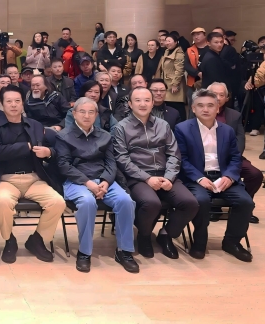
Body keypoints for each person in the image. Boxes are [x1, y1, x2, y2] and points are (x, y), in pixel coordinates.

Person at [112, 88, 199, 259]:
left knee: (190, 203)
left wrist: (169, 177)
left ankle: (166, 234)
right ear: (130, 104)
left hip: (165, 174)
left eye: (147, 100)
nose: (142, 104)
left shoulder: (163, 125)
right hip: (137, 177)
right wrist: (147, 178)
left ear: (153, 103)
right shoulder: (121, 127)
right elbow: (122, 159)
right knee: (152, 203)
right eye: (137, 100)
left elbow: (174, 154)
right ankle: (144, 236)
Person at [56, 97, 138, 273]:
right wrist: (88, 183)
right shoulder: (63, 136)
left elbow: (111, 163)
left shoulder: (105, 136)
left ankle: (124, 251)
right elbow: (64, 166)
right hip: (77, 181)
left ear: (96, 115)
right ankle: (84, 252)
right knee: (87, 202)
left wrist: (105, 182)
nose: (86, 116)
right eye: (82, 112)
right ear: (74, 113)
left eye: (91, 112)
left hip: (103, 180)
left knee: (125, 201)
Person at [0, 85, 65, 264]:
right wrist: (27, 146)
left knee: (57, 202)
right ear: (1, 104)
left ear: (23, 103)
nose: (13, 105)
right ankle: (9, 240)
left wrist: (48, 152)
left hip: (34, 178)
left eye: (17, 101)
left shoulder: (35, 125)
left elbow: (53, 149)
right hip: (6, 179)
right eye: (9, 101)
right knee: (2, 202)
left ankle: (37, 240)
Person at [175, 89, 254, 262]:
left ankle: (232, 242)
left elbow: (235, 158)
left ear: (218, 108)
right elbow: (182, 159)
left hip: (223, 176)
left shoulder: (227, 130)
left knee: (246, 202)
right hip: (196, 178)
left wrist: (229, 176)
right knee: (201, 200)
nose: (205, 109)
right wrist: (199, 178)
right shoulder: (182, 129)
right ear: (193, 108)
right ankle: (199, 241)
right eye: (200, 105)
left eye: (210, 105)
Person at [208, 82, 262, 223]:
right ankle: (215, 207)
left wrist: (232, 158)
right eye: (214, 94)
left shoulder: (235, 115)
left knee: (255, 174)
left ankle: (243, 207)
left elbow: (240, 140)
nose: (218, 98)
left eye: (222, 95)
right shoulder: (200, 112)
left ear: (227, 98)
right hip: (208, 158)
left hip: (232, 158)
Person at [157, 34, 186, 122]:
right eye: (166, 41)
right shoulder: (167, 51)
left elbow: (179, 70)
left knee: (177, 106)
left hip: (174, 84)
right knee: (169, 106)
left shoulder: (179, 53)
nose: (167, 43)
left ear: (176, 42)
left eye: (169, 41)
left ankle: (179, 125)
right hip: (167, 83)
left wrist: (175, 84)